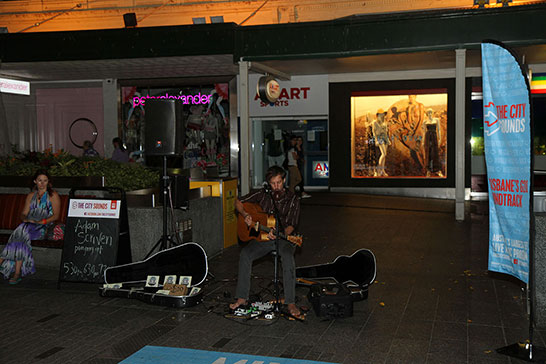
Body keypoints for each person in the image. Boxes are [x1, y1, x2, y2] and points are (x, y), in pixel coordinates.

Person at [230, 166, 301, 317]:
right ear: (268, 183)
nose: (276, 186)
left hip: (283, 238)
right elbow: (238, 202)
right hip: (262, 237)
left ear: (284, 180)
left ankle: (290, 302)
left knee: (288, 257)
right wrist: (245, 214)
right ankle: (242, 297)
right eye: (273, 183)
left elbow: (291, 226)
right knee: (245, 254)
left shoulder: (293, 199)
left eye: (279, 182)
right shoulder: (263, 194)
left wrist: (281, 233)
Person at [0, 170, 61, 284]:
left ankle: (3, 261)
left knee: (20, 233)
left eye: (45, 181)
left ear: (48, 182)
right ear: (35, 181)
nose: (42, 183)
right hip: (29, 225)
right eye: (39, 180)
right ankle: (17, 273)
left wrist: (41, 222)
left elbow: (56, 215)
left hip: (44, 226)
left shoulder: (53, 195)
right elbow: (23, 213)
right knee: (21, 233)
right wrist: (26, 219)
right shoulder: (30, 196)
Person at [372, 109, 390, 176]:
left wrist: (388, 140)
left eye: (383, 114)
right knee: (383, 154)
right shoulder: (374, 123)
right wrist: (376, 140)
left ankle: (383, 171)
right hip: (379, 138)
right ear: (378, 115)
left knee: (384, 156)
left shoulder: (384, 123)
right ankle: (378, 170)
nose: (382, 116)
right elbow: (374, 133)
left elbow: (386, 132)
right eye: (380, 114)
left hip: (385, 138)